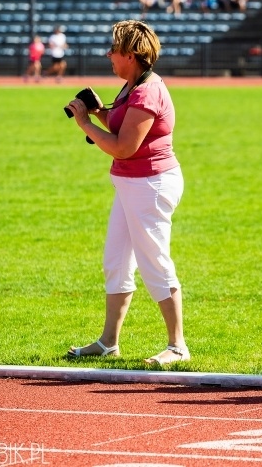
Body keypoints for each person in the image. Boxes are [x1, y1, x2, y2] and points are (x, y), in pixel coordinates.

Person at [65, 19, 189, 366]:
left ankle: (177, 345)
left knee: (154, 261)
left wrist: (86, 125)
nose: (109, 54)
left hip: (149, 184)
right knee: (116, 262)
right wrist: (100, 112)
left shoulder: (147, 91)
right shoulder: (133, 84)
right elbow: (123, 126)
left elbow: (124, 146)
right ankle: (108, 342)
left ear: (132, 55)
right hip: (132, 184)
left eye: (114, 50)